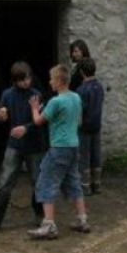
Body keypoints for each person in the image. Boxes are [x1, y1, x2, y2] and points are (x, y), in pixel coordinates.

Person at [27, 64, 90, 239]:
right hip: (73, 145)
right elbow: (78, 122)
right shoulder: (76, 97)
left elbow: (39, 120)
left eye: (51, 79)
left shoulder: (56, 101)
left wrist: (34, 108)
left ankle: (48, 224)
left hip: (59, 146)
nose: (49, 82)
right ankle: (82, 218)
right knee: (73, 181)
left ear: (59, 81)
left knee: (46, 182)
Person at [0, 61, 46, 232]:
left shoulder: (36, 94)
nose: (26, 82)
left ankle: (40, 216)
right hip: (15, 145)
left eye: (28, 78)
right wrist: (0, 116)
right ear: (15, 80)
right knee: (5, 182)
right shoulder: (7, 95)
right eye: (22, 80)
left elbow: (41, 120)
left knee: (37, 182)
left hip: (35, 145)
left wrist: (26, 128)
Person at [76, 57, 105, 196]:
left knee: (84, 156)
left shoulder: (81, 90)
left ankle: (85, 186)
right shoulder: (99, 87)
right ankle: (97, 184)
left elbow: (80, 110)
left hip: (84, 127)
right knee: (96, 155)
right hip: (97, 125)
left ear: (81, 72)